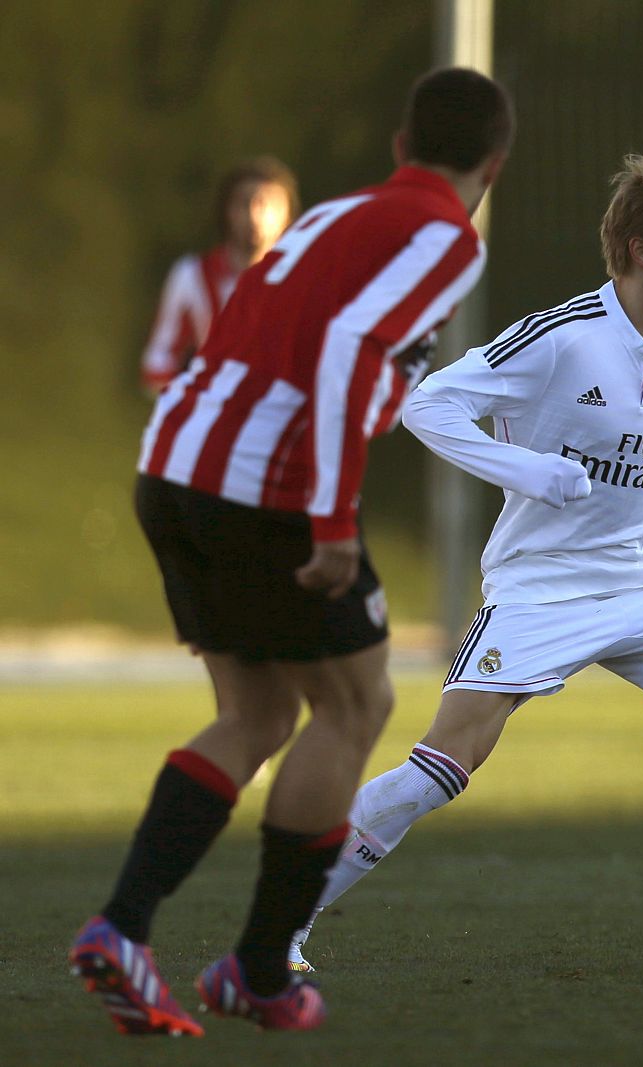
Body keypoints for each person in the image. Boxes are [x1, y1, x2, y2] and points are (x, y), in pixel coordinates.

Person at [287, 151, 643, 972]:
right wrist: (526, 469)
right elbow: (426, 402)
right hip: (544, 588)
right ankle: (280, 920)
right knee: (445, 764)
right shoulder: (564, 338)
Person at [68, 67, 514, 1035]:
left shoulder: (327, 217)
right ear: (493, 165)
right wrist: (332, 519)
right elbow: (351, 350)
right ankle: (260, 969)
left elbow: (264, 331)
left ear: (398, 147)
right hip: (260, 487)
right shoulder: (445, 234)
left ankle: (123, 928)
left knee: (261, 708)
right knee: (358, 701)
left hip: (172, 464)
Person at [140, 156, 299, 395]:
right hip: (209, 414)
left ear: (288, 215)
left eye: (268, 204)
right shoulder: (192, 275)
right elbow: (158, 360)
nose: (256, 216)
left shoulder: (300, 282)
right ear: (228, 211)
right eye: (245, 203)